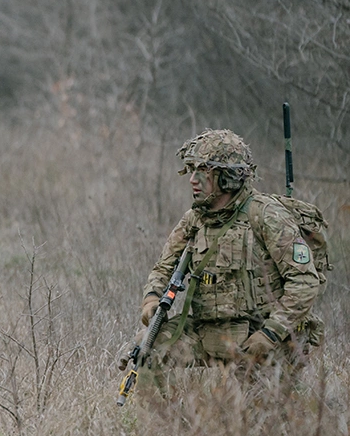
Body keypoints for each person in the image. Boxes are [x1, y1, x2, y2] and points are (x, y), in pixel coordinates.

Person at [125, 129, 323, 389]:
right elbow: (163, 267)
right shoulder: (195, 219)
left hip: (260, 333)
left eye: (203, 172)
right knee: (148, 349)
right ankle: (166, 426)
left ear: (227, 177)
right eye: (190, 170)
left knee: (258, 417)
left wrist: (272, 332)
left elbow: (305, 280)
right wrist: (151, 299)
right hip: (208, 330)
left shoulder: (265, 216)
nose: (192, 180)